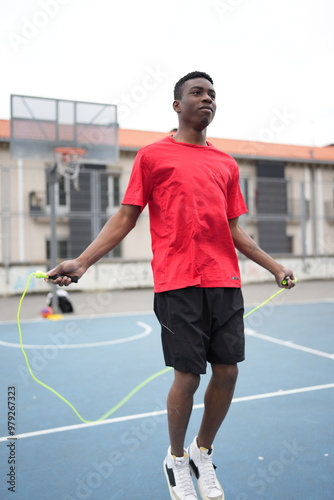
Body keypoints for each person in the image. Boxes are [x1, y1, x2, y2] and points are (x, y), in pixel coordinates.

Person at [47, 71, 295, 500]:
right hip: (177, 283)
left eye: (213, 94)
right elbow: (126, 217)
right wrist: (83, 262)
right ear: (177, 105)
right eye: (197, 93)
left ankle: (203, 451)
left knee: (228, 371)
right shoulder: (152, 157)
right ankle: (177, 459)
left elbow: (235, 230)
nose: (207, 99)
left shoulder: (226, 164)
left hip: (224, 281)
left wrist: (274, 266)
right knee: (188, 377)